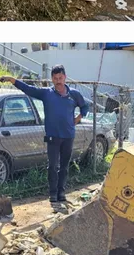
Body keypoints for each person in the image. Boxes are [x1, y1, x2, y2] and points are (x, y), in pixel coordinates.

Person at [7, 68, 88, 210]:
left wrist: (77, 119)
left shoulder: (74, 94)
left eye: (60, 77)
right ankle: (53, 194)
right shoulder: (46, 93)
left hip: (68, 136)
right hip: (53, 136)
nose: (58, 81)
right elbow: (29, 89)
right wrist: (12, 80)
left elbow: (85, 106)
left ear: (65, 77)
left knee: (64, 166)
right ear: (52, 79)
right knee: (52, 166)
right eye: (55, 78)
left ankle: (61, 193)